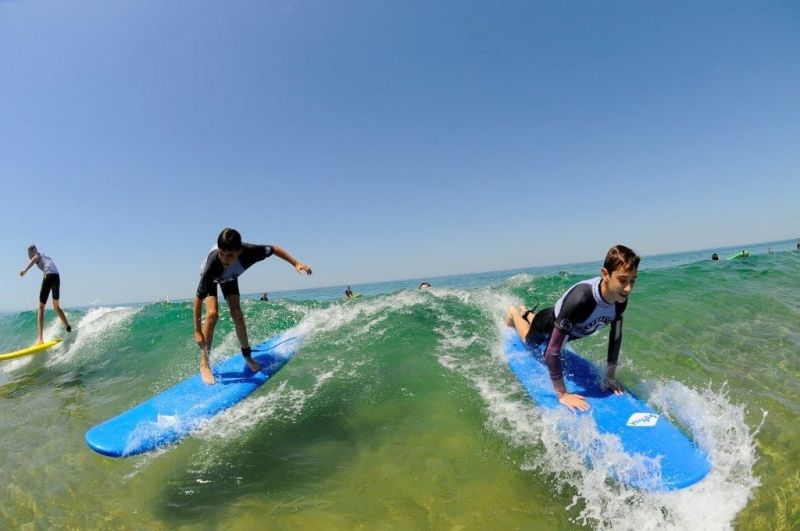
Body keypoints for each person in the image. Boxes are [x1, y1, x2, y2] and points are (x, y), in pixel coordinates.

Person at [505, 244, 640, 412]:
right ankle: (514, 314)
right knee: (529, 343)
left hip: (561, 324)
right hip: (546, 324)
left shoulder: (620, 299)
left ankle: (526, 312)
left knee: (545, 328)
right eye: (622, 280)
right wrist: (562, 394)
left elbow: (616, 337)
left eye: (632, 281)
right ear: (605, 274)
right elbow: (552, 352)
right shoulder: (582, 299)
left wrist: (610, 376)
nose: (628, 288)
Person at [194, 228, 312, 385]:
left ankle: (248, 357)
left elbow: (274, 249)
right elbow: (198, 298)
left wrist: (296, 263)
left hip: (230, 277)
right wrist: (197, 330)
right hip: (213, 277)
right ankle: (204, 364)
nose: (225, 259)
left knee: (237, 312)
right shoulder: (214, 262)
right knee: (212, 314)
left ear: (240, 251)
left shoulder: (250, 252)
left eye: (230, 255)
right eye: (222, 253)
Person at [19, 244, 72, 344]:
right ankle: (68, 328)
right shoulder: (45, 256)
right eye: (28, 254)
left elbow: (35, 259)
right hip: (56, 277)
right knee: (56, 307)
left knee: (41, 307)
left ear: (34, 251)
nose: (29, 255)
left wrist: (25, 270)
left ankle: (40, 339)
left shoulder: (37, 254)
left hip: (49, 275)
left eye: (29, 253)